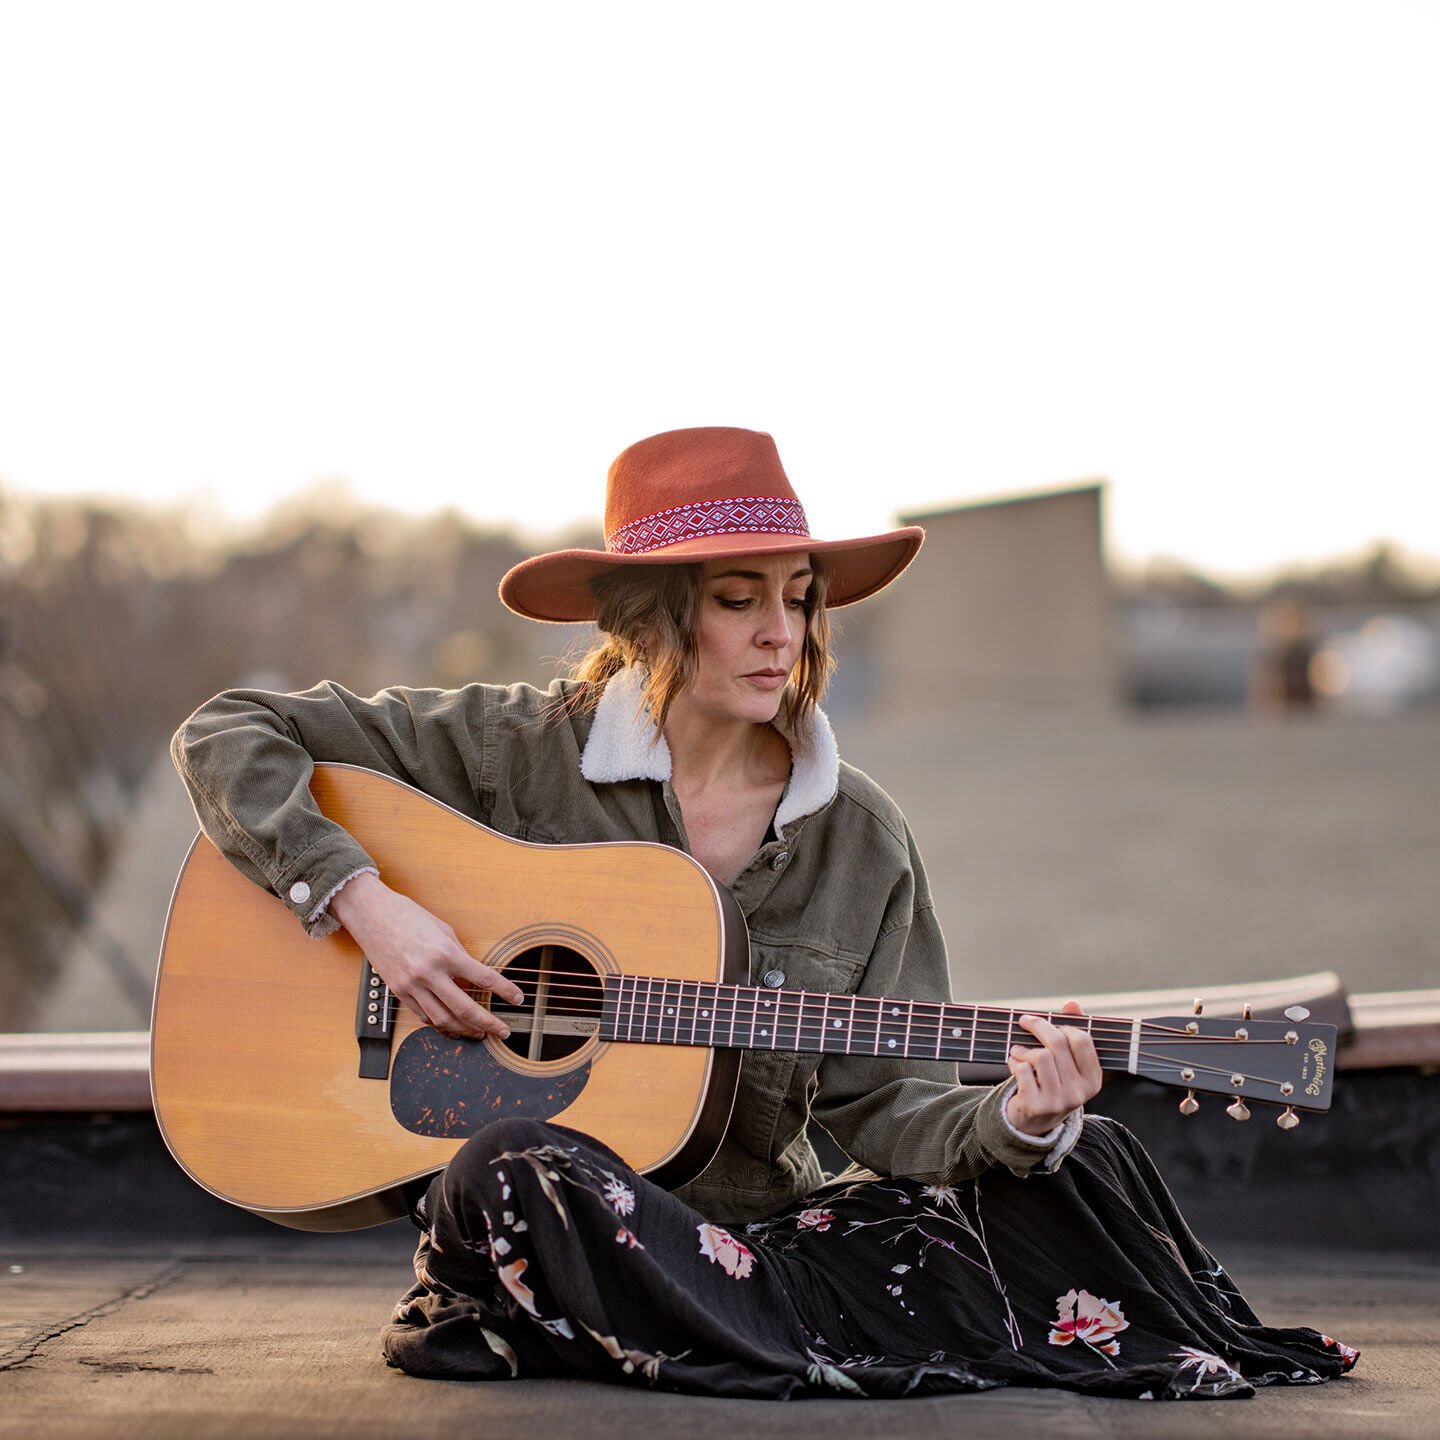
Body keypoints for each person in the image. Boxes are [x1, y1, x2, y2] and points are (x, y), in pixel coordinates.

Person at [171, 426, 1357, 1400]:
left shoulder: (859, 837)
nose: (779, 632)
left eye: (797, 599)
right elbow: (230, 729)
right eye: (738, 600)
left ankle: (627, 1325)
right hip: (571, 1199)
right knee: (509, 1168)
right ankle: (671, 1324)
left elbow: (888, 1105)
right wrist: (365, 904)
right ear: (648, 618)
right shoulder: (510, 753)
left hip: (759, 1242)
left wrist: (1019, 1120)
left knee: (1077, 1167)